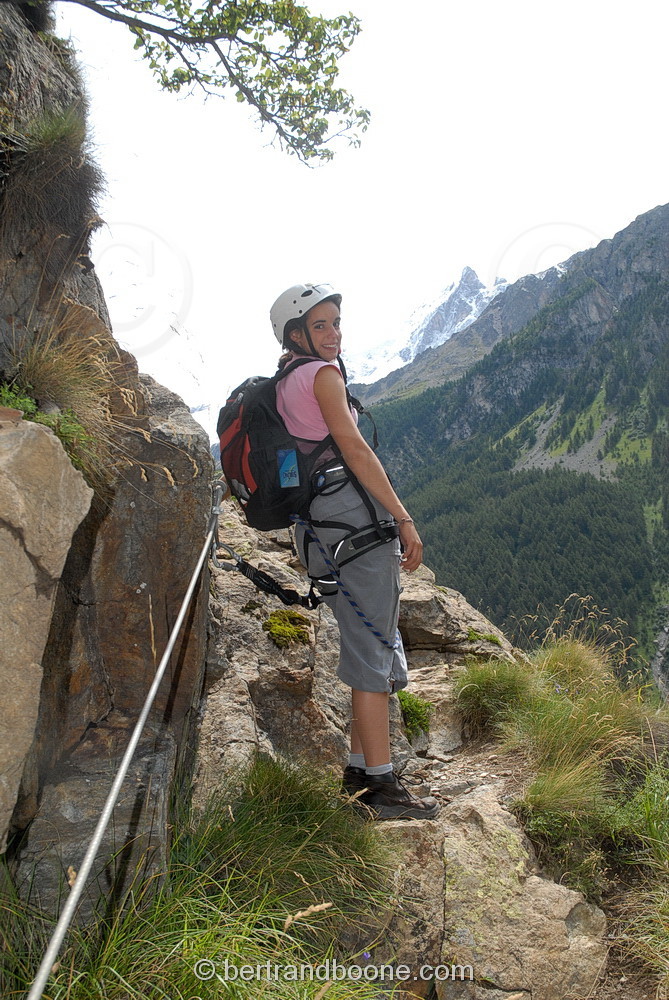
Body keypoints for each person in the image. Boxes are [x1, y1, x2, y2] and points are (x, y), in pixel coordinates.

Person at [270, 282, 440, 821]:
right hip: (353, 534)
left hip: (320, 534)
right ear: (296, 334)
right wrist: (404, 517)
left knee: (366, 646)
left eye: (335, 323)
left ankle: (359, 771)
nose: (333, 333)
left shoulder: (286, 379)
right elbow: (356, 449)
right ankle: (383, 789)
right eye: (319, 325)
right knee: (372, 656)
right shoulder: (321, 375)